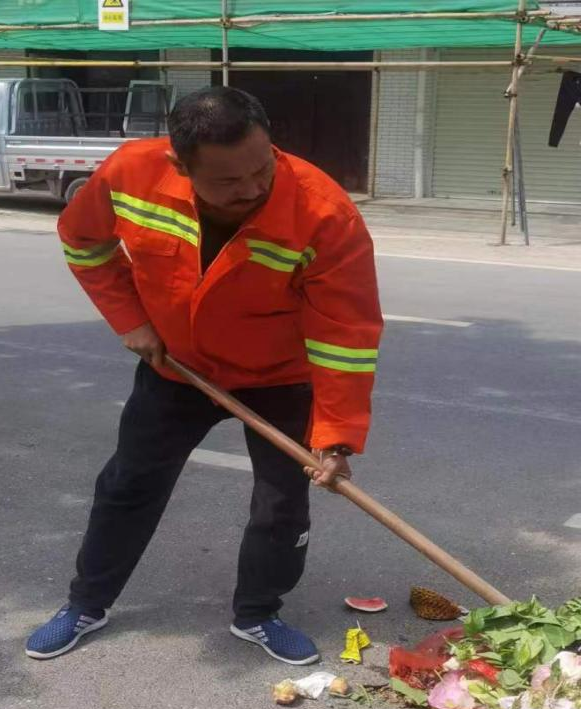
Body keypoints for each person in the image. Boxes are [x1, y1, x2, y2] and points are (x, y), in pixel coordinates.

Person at [25, 86, 383, 666]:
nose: (252, 189)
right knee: (128, 486)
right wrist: (131, 320)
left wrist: (335, 436)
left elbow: (346, 333)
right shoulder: (131, 172)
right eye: (227, 182)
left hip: (278, 378)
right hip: (178, 369)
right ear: (178, 163)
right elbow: (83, 240)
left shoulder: (322, 212)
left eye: (262, 168)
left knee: (281, 504)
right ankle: (86, 604)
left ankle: (259, 613)